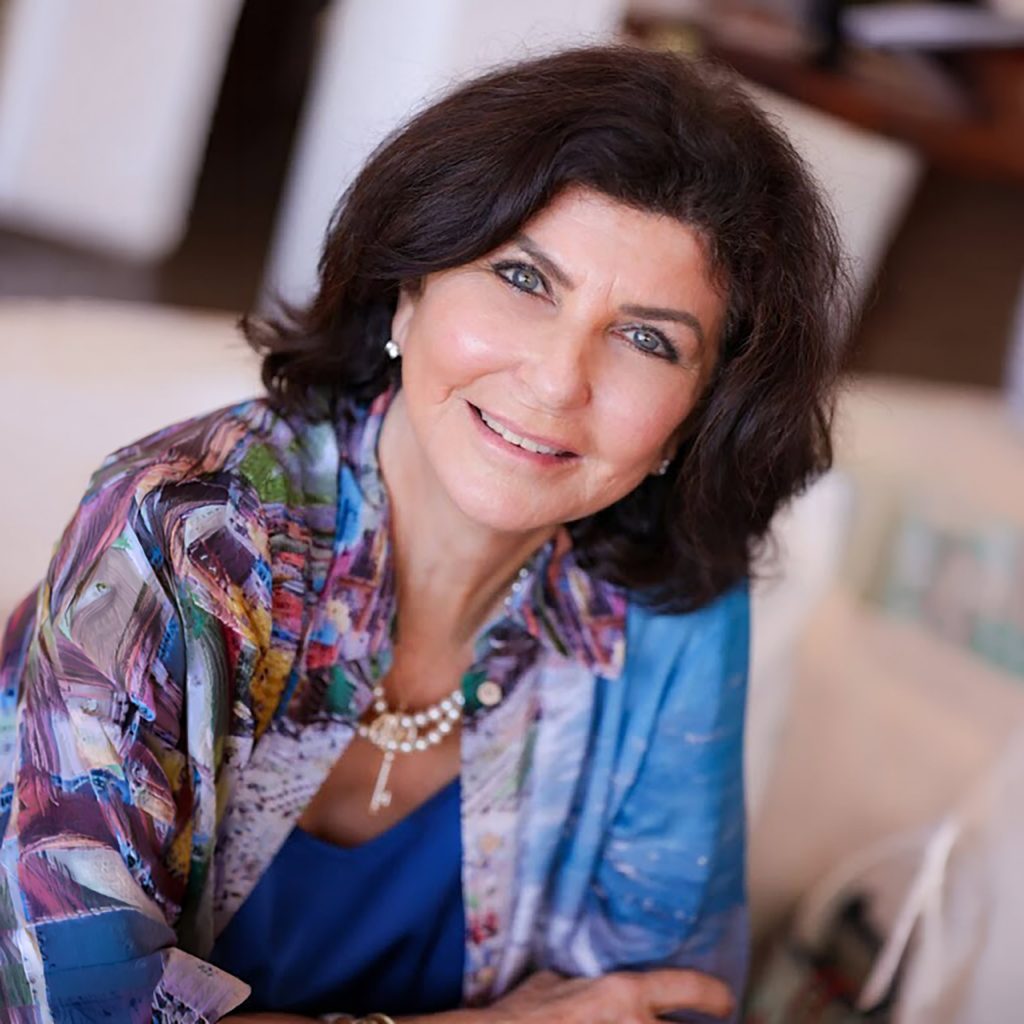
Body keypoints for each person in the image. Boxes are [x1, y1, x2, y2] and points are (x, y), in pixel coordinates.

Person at [0, 44, 846, 1024]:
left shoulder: (674, 601)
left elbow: (661, 1004)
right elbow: (68, 1008)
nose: (556, 380)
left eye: (646, 338)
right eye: (523, 278)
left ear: (697, 417)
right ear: (410, 286)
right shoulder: (188, 530)